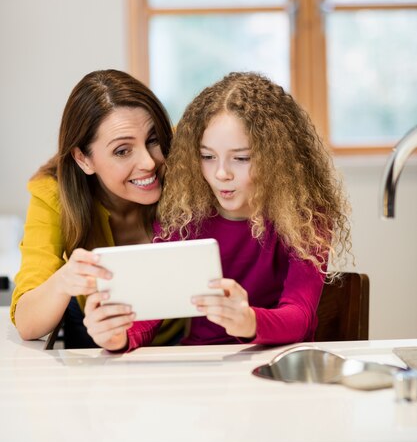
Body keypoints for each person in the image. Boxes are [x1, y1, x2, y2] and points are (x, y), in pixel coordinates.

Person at [84, 71, 352, 352]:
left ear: (278, 159)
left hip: (277, 363)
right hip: (202, 365)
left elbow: (300, 316)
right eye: (207, 156)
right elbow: (150, 314)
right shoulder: (186, 212)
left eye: (241, 158)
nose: (221, 173)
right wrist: (119, 336)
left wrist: (249, 321)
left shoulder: (306, 216)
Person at [11, 69, 184, 348]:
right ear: (83, 159)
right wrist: (65, 279)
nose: (149, 163)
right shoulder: (52, 193)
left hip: (180, 331)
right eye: (122, 151)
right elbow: (27, 323)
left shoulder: (184, 158)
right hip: (96, 333)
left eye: (153, 140)